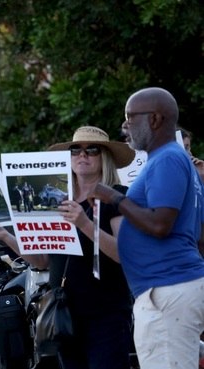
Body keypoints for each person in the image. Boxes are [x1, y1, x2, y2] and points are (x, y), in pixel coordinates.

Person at [0, 125, 136, 368]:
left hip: (106, 313)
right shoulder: (55, 201)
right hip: (63, 315)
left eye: (92, 150)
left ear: (104, 157)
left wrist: (84, 223)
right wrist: (5, 236)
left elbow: (124, 255)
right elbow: (42, 260)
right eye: (76, 150)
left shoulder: (116, 195)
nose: (82, 155)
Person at [89, 87, 204, 369]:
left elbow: (160, 223)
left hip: (167, 289)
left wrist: (115, 198)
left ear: (154, 119)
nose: (125, 127)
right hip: (166, 289)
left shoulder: (167, 158)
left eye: (130, 118)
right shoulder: (165, 159)